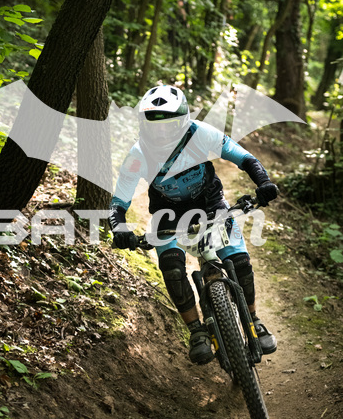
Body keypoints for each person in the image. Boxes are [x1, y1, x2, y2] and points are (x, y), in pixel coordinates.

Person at [109, 85, 278, 365]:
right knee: (173, 269)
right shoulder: (138, 153)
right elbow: (118, 202)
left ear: (185, 121)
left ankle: (254, 319)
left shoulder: (201, 134)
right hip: (168, 215)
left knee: (240, 262)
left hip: (210, 204)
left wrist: (264, 183)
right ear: (143, 125)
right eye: (154, 127)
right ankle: (196, 331)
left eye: (169, 126)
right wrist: (119, 229)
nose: (162, 134)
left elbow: (244, 158)